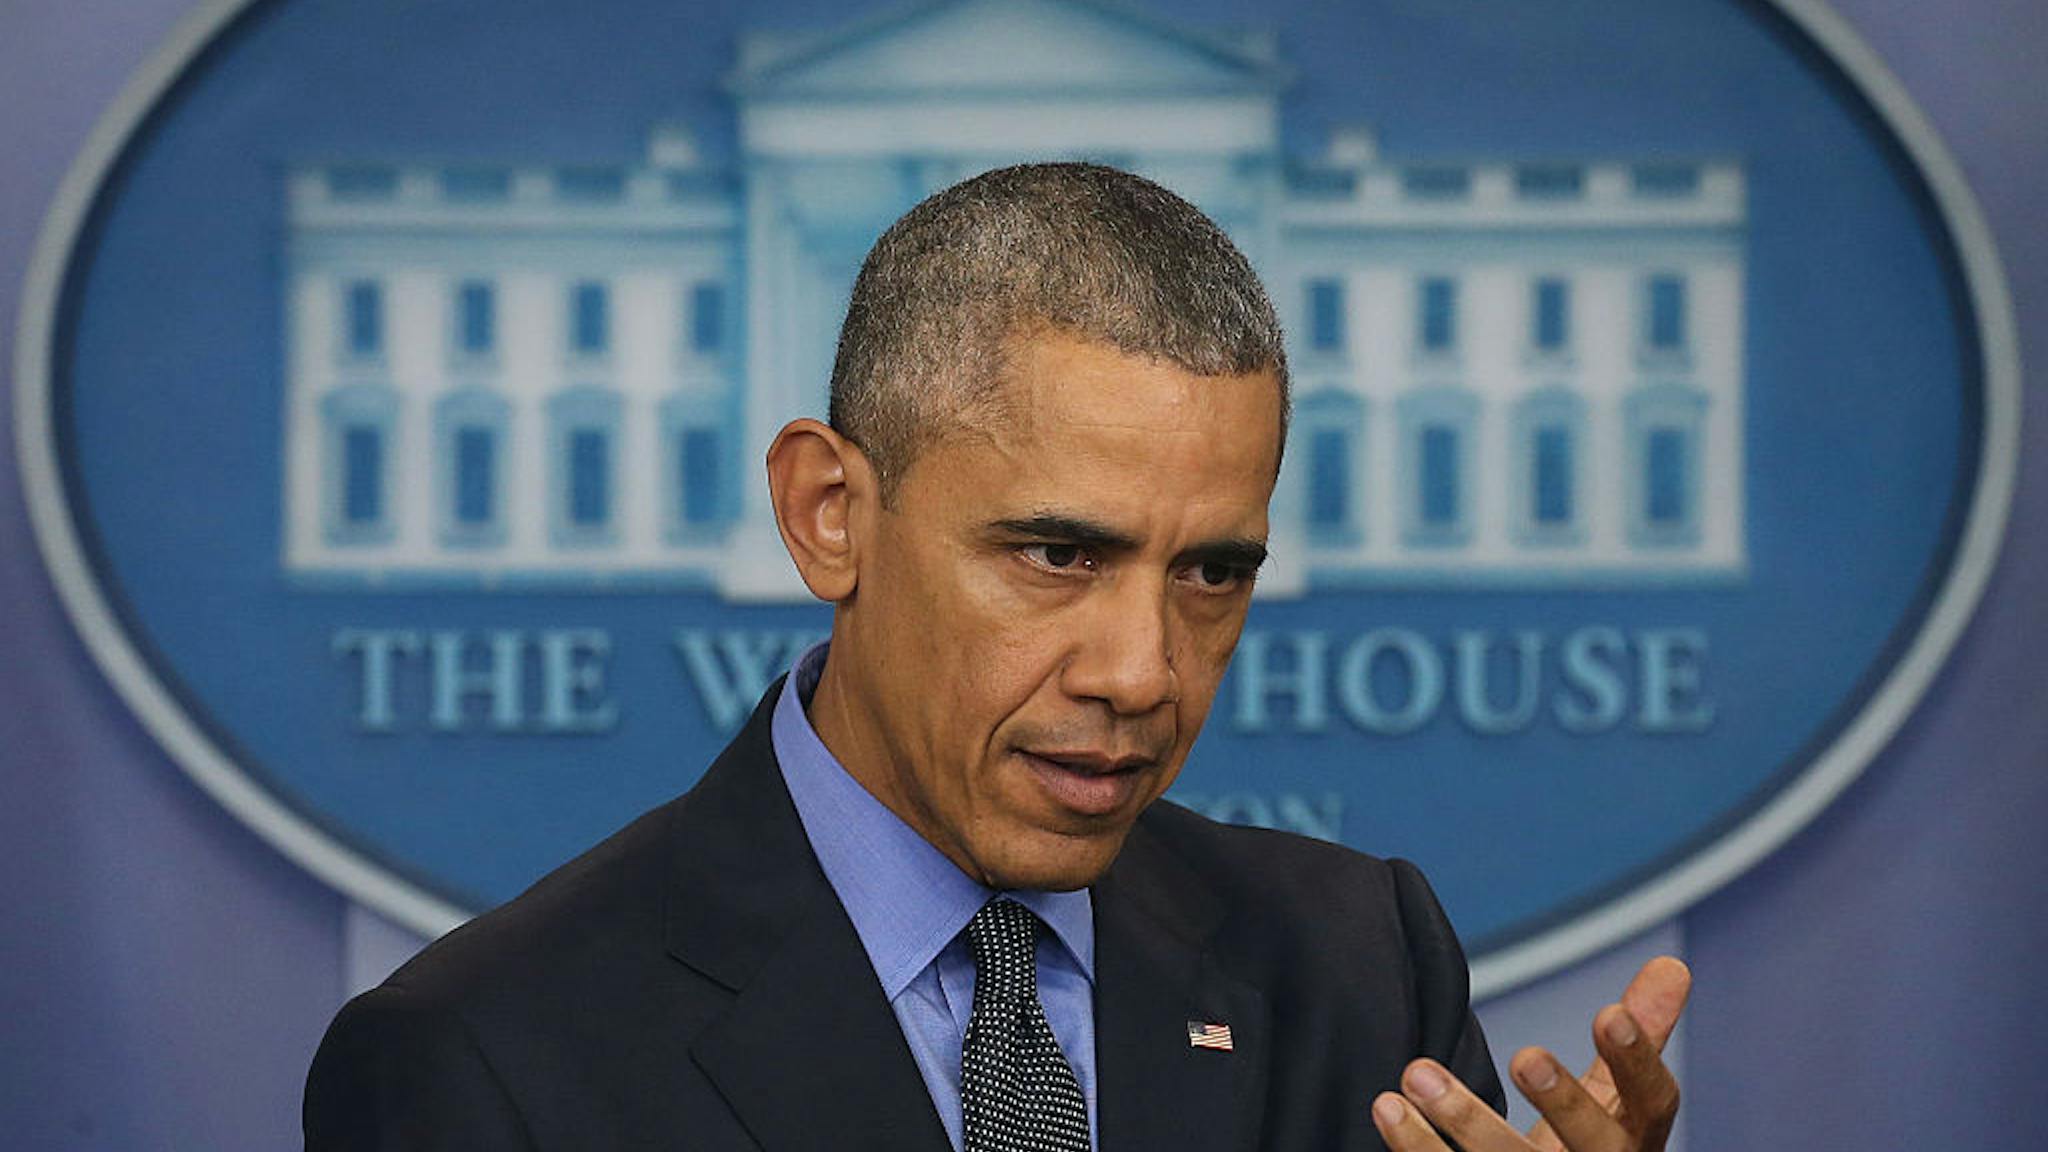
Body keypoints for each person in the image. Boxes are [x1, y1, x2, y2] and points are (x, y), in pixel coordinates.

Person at [304, 162, 1688, 1152]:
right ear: (829, 516)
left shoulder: (1356, 965)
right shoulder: (487, 1058)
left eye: (1211, 572)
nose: (1142, 671)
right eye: (1058, 556)